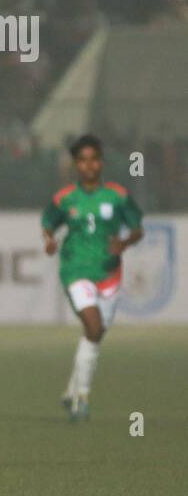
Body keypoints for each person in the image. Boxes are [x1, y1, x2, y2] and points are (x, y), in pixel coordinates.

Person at [41, 134, 144, 421]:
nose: (89, 165)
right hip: (75, 271)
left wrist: (124, 243)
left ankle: (71, 390)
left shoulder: (117, 195)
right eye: (83, 160)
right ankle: (81, 399)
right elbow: (48, 223)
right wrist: (49, 240)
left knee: (95, 335)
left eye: (94, 159)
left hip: (109, 271)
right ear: (76, 164)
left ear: (101, 162)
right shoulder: (65, 198)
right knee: (93, 326)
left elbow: (137, 228)